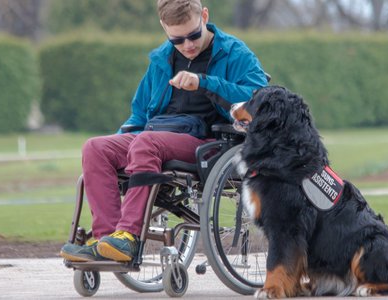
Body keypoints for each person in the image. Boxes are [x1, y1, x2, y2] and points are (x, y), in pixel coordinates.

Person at [60, 0, 268, 262]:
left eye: (194, 35)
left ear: (204, 15)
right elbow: (139, 113)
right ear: (164, 28)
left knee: (147, 142)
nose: (187, 45)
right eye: (177, 40)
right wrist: (120, 139)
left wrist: (205, 82)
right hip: (153, 133)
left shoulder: (235, 53)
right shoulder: (161, 59)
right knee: (96, 147)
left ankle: (129, 237)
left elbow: (260, 98)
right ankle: (106, 240)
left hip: (206, 141)